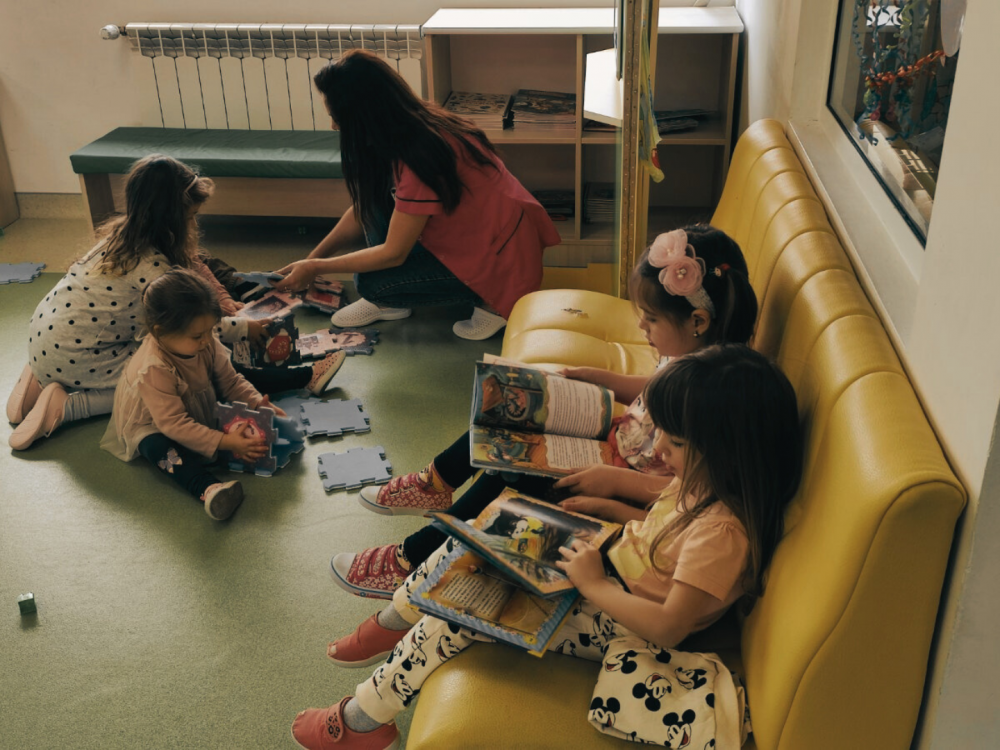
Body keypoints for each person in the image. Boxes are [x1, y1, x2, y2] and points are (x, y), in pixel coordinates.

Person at [290, 344, 804, 749]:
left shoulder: (722, 532)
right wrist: (609, 513)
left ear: (728, 450)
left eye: (677, 442)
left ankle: (363, 719)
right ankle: (392, 623)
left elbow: (670, 625)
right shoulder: (707, 483)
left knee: (458, 611)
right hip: (607, 570)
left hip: (619, 616)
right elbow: (662, 535)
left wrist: (593, 583)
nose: (660, 449)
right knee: (481, 539)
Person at [329, 225, 759, 600]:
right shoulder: (688, 356)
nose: (642, 329)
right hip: (615, 442)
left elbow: (684, 494)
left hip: (621, 478)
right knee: (508, 418)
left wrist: (612, 479)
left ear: (698, 321)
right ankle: (436, 482)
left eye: (649, 320)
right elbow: (652, 388)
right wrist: (594, 376)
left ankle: (412, 557)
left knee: (507, 475)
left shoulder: (711, 396)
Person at [6, 155, 343, 450]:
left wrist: (228, 303)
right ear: (170, 219)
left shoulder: (123, 233)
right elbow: (197, 327)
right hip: (80, 359)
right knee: (160, 384)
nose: (194, 224)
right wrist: (244, 328)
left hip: (45, 340)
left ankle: (39, 379)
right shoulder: (152, 271)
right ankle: (65, 406)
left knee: (190, 359)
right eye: (191, 217)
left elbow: (194, 263)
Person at [272, 50, 561, 341]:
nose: (334, 126)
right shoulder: (410, 126)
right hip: (486, 237)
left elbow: (394, 253)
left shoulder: (419, 158)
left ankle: (493, 304)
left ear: (364, 116)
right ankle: (399, 300)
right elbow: (364, 210)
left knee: (372, 284)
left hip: (501, 262)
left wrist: (315, 267)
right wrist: (310, 260)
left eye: (337, 117)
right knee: (377, 202)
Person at [100, 269, 281, 521]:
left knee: (242, 375)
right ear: (160, 331)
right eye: (198, 336)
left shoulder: (204, 340)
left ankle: (305, 376)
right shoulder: (154, 368)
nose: (207, 340)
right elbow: (173, 424)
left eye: (210, 330)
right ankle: (207, 488)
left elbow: (230, 381)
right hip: (155, 424)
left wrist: (255, 402)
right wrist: (224, 441)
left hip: (191, 406)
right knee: (159, 450)